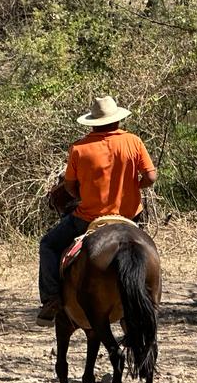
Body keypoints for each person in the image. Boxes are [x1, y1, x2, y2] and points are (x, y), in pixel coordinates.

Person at [36, 95, 157, 324]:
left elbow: (70, 187)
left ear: (93, 122)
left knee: (48, 245)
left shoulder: (80, 148)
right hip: (128, 217)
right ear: (117, 120)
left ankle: (51, 299)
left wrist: (83, 195)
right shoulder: (133, 142)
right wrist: (134, 185)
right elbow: (151, 176)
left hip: (88, 219)